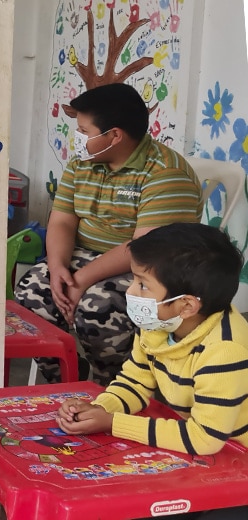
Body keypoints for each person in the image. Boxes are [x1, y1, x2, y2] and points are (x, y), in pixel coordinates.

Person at [57, 223, 248, 520]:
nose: (131, 291)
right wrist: (96, 409)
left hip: (238, 459)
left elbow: (204, 439)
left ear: (186, 305)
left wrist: (112, 423)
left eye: (143, 284)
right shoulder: (158, 325)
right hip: (212, 449)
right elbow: (135, 381)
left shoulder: (225, 349)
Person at [14, 83, 202, 385]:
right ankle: (65, 382)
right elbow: (62, 220)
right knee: (31, 292)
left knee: (97, 309)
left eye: (84, 132)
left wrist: (82, 280)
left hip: (151, 267)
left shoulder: (165, 173)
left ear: (114, 136)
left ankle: (112, 388)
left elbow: (146, 247)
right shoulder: (82, 164)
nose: (77, 139)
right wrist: (57, 266)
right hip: (86, 255)